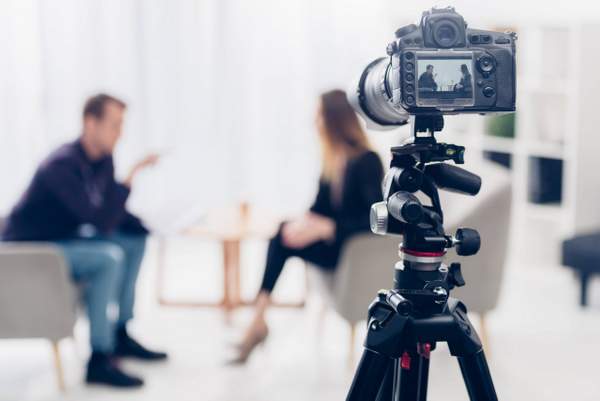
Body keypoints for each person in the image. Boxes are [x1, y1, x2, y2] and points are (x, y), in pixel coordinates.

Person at [2, 94, 167, 388]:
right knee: (108, 257)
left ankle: (120, 333)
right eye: (114, 125)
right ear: (91, 123)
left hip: (63, 238)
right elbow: (100, 221)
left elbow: (110, 213)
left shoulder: (101, 160)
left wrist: (145, 226)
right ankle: (99, 358)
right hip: (30, 249)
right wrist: (131, 177)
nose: (120, 133)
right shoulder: (61, 166)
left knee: (133, 241)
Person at [232, 89, 384, 363]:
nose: (316, 124)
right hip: (332, 243)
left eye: (319, 117)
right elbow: (319, 207)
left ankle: (257, 323)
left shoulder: (367, 161)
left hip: (349, 250)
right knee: (283, 232)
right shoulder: (334, 159)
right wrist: (302, 224)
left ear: (335, 120)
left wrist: (329, 229)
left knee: (280, 238)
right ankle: (258, 319)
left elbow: (374, 219)